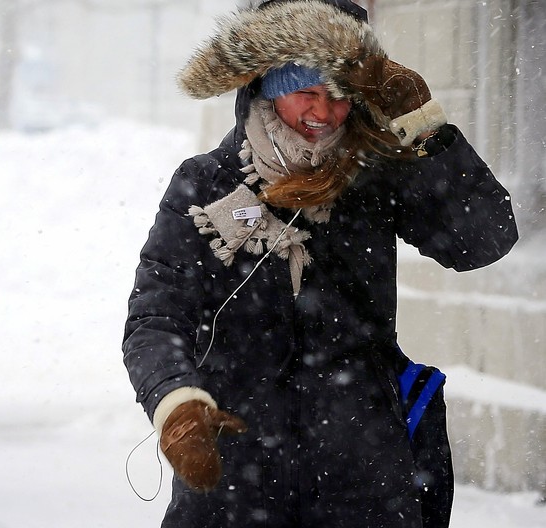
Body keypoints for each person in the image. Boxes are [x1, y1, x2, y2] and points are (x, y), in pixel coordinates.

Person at [121, 1, 518, 527]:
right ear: (266, 84)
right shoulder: (206, 184)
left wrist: (423, 126)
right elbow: (155, 318)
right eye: (307, 91)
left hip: (363, 480)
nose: (324, 113)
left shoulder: (375, 177)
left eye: (339, 96)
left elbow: (482, 240)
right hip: (235, 481)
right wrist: (175, 402)